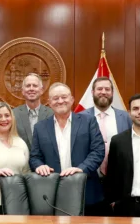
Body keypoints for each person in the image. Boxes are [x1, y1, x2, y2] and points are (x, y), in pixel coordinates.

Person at [29, 83, 105, 215]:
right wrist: (40, 166)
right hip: (52, 194)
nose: (60, 101)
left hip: (87, 191)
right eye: (55, 98)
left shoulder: (88, 121)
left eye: (64, 97)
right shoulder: (40, 127)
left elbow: (98, 151)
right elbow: (35, 157)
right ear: (49, 102)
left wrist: (81, 169)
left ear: (72, 99)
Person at [83, 76, 132, 214]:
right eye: (99, 89)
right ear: (92, 92)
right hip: (91, 180)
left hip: (118, 182)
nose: (103, 92)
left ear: (112, 93)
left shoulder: (126, 117)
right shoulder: (81, 117)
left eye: (107, 89)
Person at [12, 73, 53, 150]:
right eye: (28, 86)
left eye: (35, 86)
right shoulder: (13, 114)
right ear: (23, 91)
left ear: (41, 90)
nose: (31, 89)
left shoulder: (52, 114)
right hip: (21, 160)